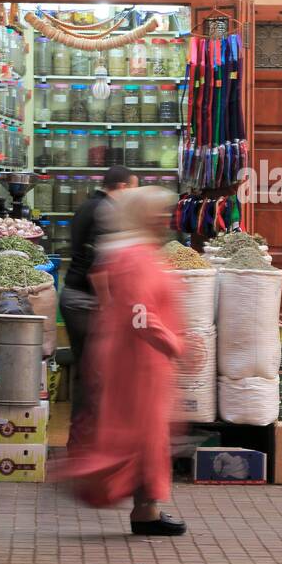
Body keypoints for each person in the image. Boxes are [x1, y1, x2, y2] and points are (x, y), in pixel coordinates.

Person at [53, 185, 187, 537]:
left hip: (142, 359)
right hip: (139, 361)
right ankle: (96, 482)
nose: (165, 218)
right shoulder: (137, 257)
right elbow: (139, 314)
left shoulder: (136, 252)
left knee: (146, 435)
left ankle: (148, 507)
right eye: (158, 212)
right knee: (141, 435)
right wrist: (173, 343)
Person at [59, 166, 137, 447]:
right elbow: (99, 266)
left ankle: (80, 442)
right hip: (88, 302)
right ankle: (92, 445)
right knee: (99, 377)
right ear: (123, 187)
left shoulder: (85, 206)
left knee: (88, 373)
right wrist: (107, 305)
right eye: (133, 189)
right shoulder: (107, 212)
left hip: (72, 295)